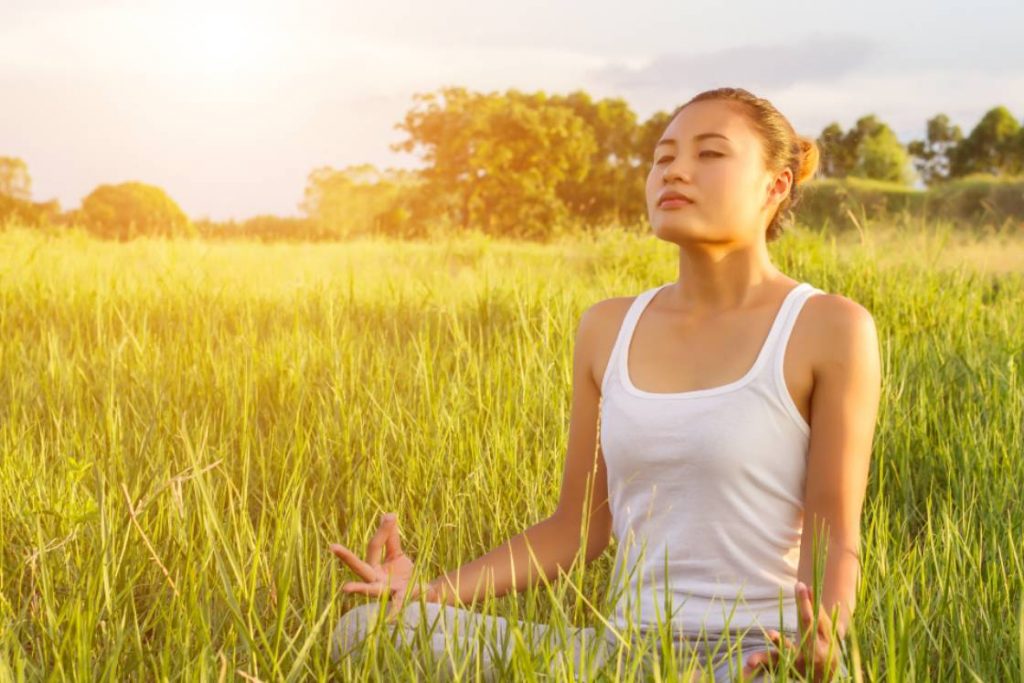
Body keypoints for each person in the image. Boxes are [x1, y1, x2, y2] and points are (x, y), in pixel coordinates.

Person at [327, 86, 882, 682]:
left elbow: (832, 527)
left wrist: (825, 641)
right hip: (619, 655)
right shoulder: (608, 327)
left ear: (776, 185)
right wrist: (427, 594)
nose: (676, 170)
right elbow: (578, 528)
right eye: (663, 156)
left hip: (752, 657)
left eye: (710, 154)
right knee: (367, 634)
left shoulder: (829, 326)